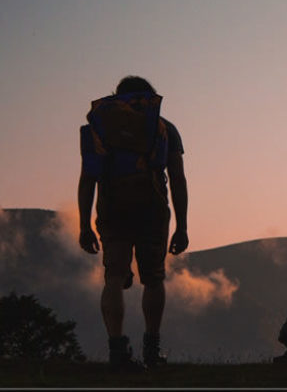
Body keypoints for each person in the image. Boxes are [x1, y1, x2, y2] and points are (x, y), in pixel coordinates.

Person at [77, 76, 189, 369]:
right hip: (152, 208)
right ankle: (151, 351)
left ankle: (117, 351)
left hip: (112, 207)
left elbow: (88, 179)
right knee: (153, 279)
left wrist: (84, 224)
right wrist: (182, 225)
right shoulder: (164, 129)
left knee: (113, 277)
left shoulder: (100, 128)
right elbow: (177, 179)